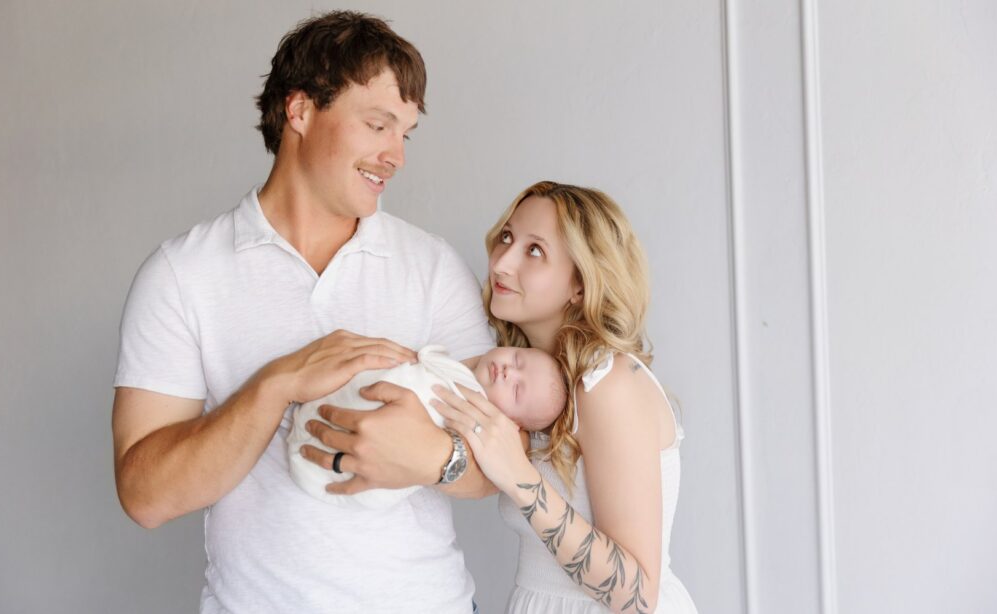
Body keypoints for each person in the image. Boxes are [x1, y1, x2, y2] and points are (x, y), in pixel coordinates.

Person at [111, 11, 498, 613]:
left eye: (406, 133)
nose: (394, 154)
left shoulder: (431, 267)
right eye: (378, 124)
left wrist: (431, 457)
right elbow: (145, 495)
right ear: (300, 111)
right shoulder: (180, 276)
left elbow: (498, 466)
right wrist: (276, 385)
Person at [429, 181, 698, 613]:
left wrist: (517, 475)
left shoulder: (606, 384)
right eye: (507, 237)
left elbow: (636, 594)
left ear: (580, 283)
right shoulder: (521, 378)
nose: (502, 262)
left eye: (534, 251)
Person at [289, 345, 566, 509]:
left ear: (512, 424)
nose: (509, 371)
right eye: (517, 359)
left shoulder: (478, 421)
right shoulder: (452, 365)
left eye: (517, 390)